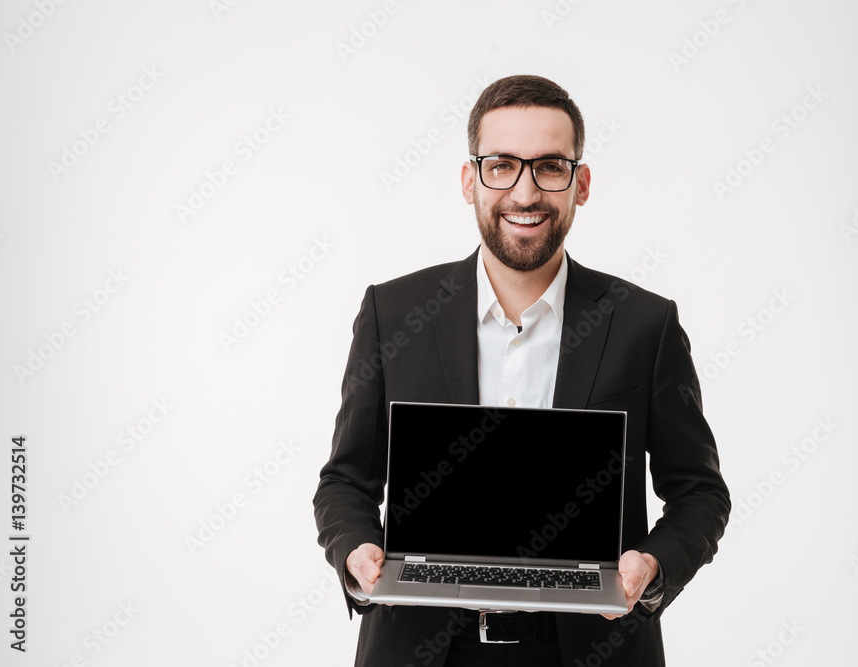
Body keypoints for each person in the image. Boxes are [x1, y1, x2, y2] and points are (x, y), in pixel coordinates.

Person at [313, 74, 730, 666]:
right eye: (502, 165)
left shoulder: (645, 324)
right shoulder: (393, 313)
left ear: (580, 183)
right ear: (470, 181)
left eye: (550, 167)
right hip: (419, 647)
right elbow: (345, 483)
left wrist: (652, 567)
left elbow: (699, 493)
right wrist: (357, 550)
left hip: (589, 650)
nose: (525, 192)